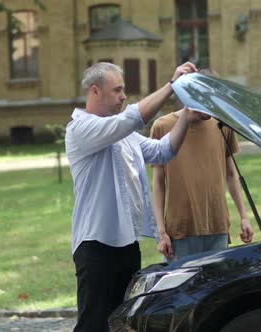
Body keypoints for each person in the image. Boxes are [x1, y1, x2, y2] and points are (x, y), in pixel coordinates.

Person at [65, 61, 198, 332]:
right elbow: (133, 118)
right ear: (95, 92)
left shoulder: (123, 135)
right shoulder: (80, 130)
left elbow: (163, 151)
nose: (123, 96)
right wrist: (171, 86)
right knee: (94, 324)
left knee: (123, 323)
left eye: (123, 90)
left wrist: (186, 115)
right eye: (117, 90)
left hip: (127, 243)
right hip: (95, 245)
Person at [150, 69, 254, 262]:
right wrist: (161, 231)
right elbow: (158, 182)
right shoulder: (162, 126)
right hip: (180, 231)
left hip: (217, 226)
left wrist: (244, 217)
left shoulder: (222, 125)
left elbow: (231, 174)